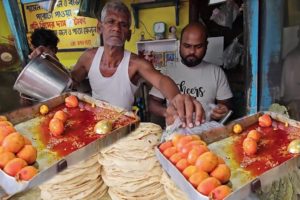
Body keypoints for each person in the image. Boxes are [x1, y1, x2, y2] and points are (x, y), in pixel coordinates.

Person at [29, 1, 203, 127]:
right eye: (111, 22)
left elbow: (161, 80)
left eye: (123, 24)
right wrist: (50, 61)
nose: (116, 28)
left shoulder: (136, 63)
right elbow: (71, 81)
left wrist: (176, 98)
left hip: (125, 128)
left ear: (128, 34)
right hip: (95, 126)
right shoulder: (89, 57)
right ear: (100, 28)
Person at [149, 22, 233, 121]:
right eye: (187, 46)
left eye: (198, 47)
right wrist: (166, 112)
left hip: (206, 133)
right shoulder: (168, 71)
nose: (192, 51)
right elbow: (152, 103)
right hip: (175, 134)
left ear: (206, 45)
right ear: (179, 44)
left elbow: (226, 104)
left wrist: (222, 110)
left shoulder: (217, 72)